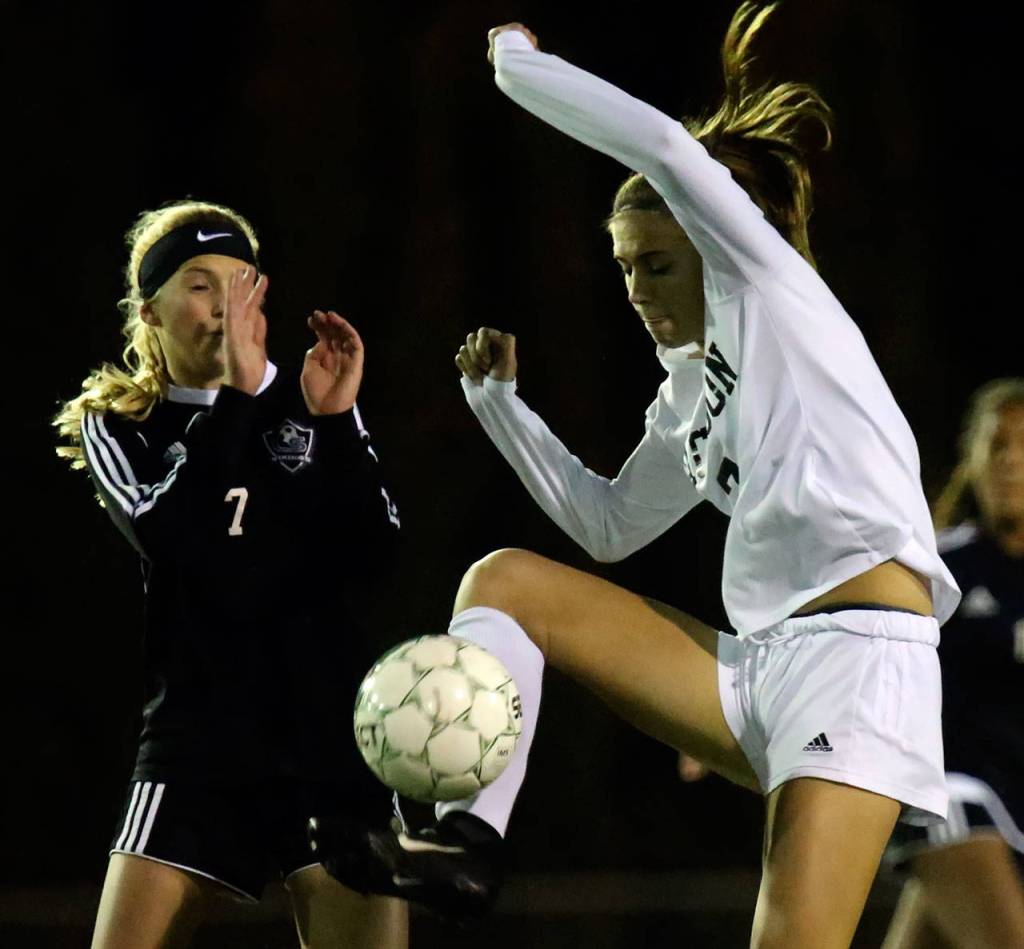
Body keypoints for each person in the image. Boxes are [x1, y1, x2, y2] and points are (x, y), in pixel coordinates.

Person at [311, 6, 960, 946]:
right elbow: (609, 527)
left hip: (859, 665)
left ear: (714, 240)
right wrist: (501, 406)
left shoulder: (770, 292)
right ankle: (467, 842)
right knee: (506, 581)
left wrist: (514, 64)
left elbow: (658, 141)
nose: (637, 288)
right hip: (757, 669)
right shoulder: (694, 391)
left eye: (656, 262)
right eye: (623, 268)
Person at [54, 199, 407, 949]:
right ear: (149, 310)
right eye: (198, 284)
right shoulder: (120, 423)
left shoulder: (312, 396)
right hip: (198, 745)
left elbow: (376, 554)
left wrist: (339, 422)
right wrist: (237, 402)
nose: (223, 307)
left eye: (238, 283)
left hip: (328, 739)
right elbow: (171, 537)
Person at [881, 379, 1024, 949]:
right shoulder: (939, 568)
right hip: (946, 795)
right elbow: (839, 626)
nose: (1011, 461)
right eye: (998, 446)